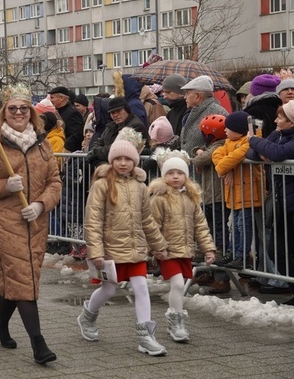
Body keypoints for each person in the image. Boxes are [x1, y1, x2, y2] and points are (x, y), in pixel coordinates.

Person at [0, 84, 62, 365]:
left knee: (21, 278)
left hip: (35, 224)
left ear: (32, 112)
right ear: (4, 113)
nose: (19, 113)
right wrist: (5, 186)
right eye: (13, 108)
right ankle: (39, 344)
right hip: (4, 222)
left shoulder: (43, 144)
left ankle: (0, 325)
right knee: (23, 278)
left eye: (24, 108)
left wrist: (40, 204)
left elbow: (54, 183)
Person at [78, 128, 169, 356]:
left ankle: (145, 336)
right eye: (118, 158)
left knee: (141, 287)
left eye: (127, 159)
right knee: (108, 290)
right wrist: (96, 251)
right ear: (111, 160)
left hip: (135, 247)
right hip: (110, 249)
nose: (122, 163)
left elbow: (147, 219)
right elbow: (93, 219)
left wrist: (159, 245)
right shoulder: (102, 185)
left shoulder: (140, 187)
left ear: (135, 161)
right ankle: (87, 316)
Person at [149, 151, 216, 342]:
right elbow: (152, 225)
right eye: (170, 173)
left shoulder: (191, 198)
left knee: (179, 286)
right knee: (178, 284)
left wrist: (208, 248)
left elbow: (200, 226)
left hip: (184, 250)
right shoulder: (159, 198)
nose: (175, 176)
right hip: (167, 251)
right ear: (164, 175)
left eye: (179, 172)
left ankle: (176, 320)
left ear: (186, 175)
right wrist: (157, 248)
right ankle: (176, 323)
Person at [246, 100, 294, 304]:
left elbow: (278, 153)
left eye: (281, 117)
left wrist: (255, 142)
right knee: (275, 250)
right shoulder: (278, 135)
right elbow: (250, 154)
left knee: (291, 249)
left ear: (292, 122)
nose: (276, 120)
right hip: (281, 203)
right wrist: (262, 150)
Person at [212, 112, 264, 273]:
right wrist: (228, 166)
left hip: (248, 193)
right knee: (235, 225)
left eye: (228, 128)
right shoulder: (229, 142)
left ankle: (242, 255)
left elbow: (238, 154)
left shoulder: (249, 142)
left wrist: (225, 167)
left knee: (243, 225)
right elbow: (216, 154)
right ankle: (232, 252)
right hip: (235, 194)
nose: (225, 131)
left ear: (239, 129)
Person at [191, 115, 229, 286]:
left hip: (217, 197)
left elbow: (200, 158)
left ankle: (221, 277)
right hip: (210, 197)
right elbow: (200, 154)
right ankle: (210, 271)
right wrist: (198, 150)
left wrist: (198, 154)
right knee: (209, 232)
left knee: (218, 234)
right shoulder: (214, 146)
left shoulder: (218, 147)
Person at [87, 97, 147, 168]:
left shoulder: (136, 125)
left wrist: (96, 152)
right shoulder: (110, 126)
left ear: (126, 110)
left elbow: (118, 149)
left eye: (118, 111)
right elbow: (98, 142)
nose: (115, 115)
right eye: (112, 113)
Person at [49, 86, 84, 152]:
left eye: (52, 97)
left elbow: (77, 134)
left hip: (69, 153)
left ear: (61, 98)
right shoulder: (59, 111)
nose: (51, 100)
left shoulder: (73, 113)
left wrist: (66, 147)